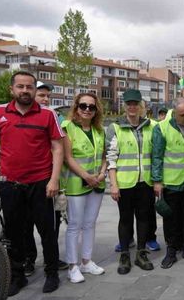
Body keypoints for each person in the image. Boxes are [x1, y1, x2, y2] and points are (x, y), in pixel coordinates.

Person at [0, 71, 64, 295]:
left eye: (29, 87)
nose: (25, 91)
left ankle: (51, 273)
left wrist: (54, 179)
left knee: (47, 231)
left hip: (41, 183)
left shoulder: (47, 115)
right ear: (12, 89)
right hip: (10, 184)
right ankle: (17, 276)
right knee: (14, 233)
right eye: (21, 86)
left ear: (35, 90)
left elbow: (58, 148)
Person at [106, 89, 156, 275]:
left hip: (145, 182)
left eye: (136, 103)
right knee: (125, 219)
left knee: (144, 218)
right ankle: (125, 255)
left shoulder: (151, 126)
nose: (133, 107)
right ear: (124, 106)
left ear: (141, 105)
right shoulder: (115, 128)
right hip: (125, 183)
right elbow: (111, 158)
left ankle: (141, 253)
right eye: (129, 104)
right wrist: (113, 184)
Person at [61, 93, 107, 283]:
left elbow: (104, 156)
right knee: (74, 225)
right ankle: (72, 266)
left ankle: (86, 262)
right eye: (83, 106)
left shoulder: (99, 130)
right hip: (76, 183)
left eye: (92, 107)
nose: (87, 110)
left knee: (90, 223)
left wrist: (103, 172)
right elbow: (67, 157)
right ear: (76, 107)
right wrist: (86, 176)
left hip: (97, 183)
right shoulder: (67, 127)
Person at [24, 81, 69, 276]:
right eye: (41, 95)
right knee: (25, 223)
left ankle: (52, 258)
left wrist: (55, 178)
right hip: (24, 179)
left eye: (47, 96)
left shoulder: (54, 117)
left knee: (51, 223)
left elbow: (59, 148)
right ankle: (29, 258)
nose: (45, 99)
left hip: (49, 177)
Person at [152, 97, 184, 267]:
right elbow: (157, 156)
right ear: (174, 113)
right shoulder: (162, 128)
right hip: (171, 182)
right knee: (171, 218)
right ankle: (172, 249)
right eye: (183, 115)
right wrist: (157, 181)